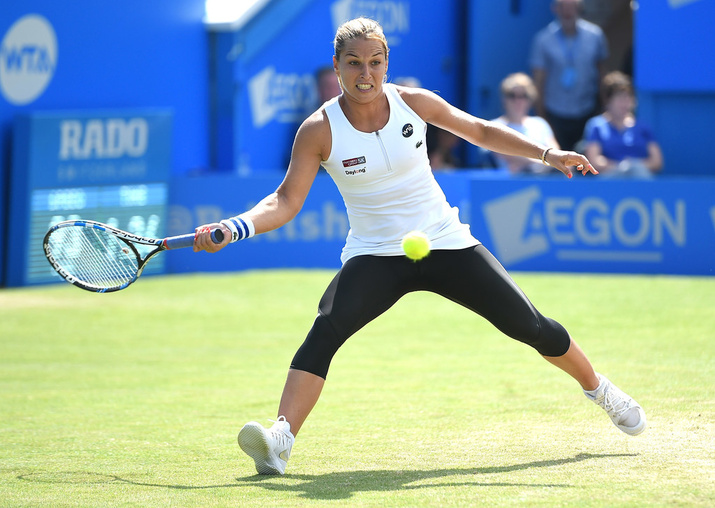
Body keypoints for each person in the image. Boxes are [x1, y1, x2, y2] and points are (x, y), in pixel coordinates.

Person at [194, 17, 646, 476]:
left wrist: (549, 155)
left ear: (387, 65)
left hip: (445, 242)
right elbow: (285, 200)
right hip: (375, 254)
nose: (364, 74)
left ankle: (599, 388)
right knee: (325, 330)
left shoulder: (414, 103)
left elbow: (482, 132)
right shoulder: (318, 129)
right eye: (353, 64)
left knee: (529, 325)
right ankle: (280, 440)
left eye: (374, 62)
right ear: (337, 66)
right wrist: (236, 227)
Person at [530, 0, 609, 151]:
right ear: (554, 9)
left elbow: (602, 74)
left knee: (585, 161)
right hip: (555, 112)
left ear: (580, 8)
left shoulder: (595, 36)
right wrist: (542, 118)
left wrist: (605, 108)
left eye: (572, 6)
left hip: (587, 108)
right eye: (563, 6)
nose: (567, 11)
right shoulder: (543, 40)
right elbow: (538, 82)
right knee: (558, 160)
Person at [583, 71, 663, 178]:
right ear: (608, 101)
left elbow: (657, 162)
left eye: (628, 98)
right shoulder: (596, 126)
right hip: (609, 180)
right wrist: (619, 168)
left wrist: (634, 167)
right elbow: (593, 160)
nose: (625, 103)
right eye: (620, 98)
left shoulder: (643, 127)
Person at [488, 72, 560, 175]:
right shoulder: (495, 125)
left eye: (523, 96)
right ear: (504, 99)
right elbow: (502, 153)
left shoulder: (541, 124)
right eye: (512, 95)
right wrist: (544, 162)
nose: (518, 101)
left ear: (530, 99)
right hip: (507, 186)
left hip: (541, 184)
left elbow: (555, 152)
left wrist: (542, 163)